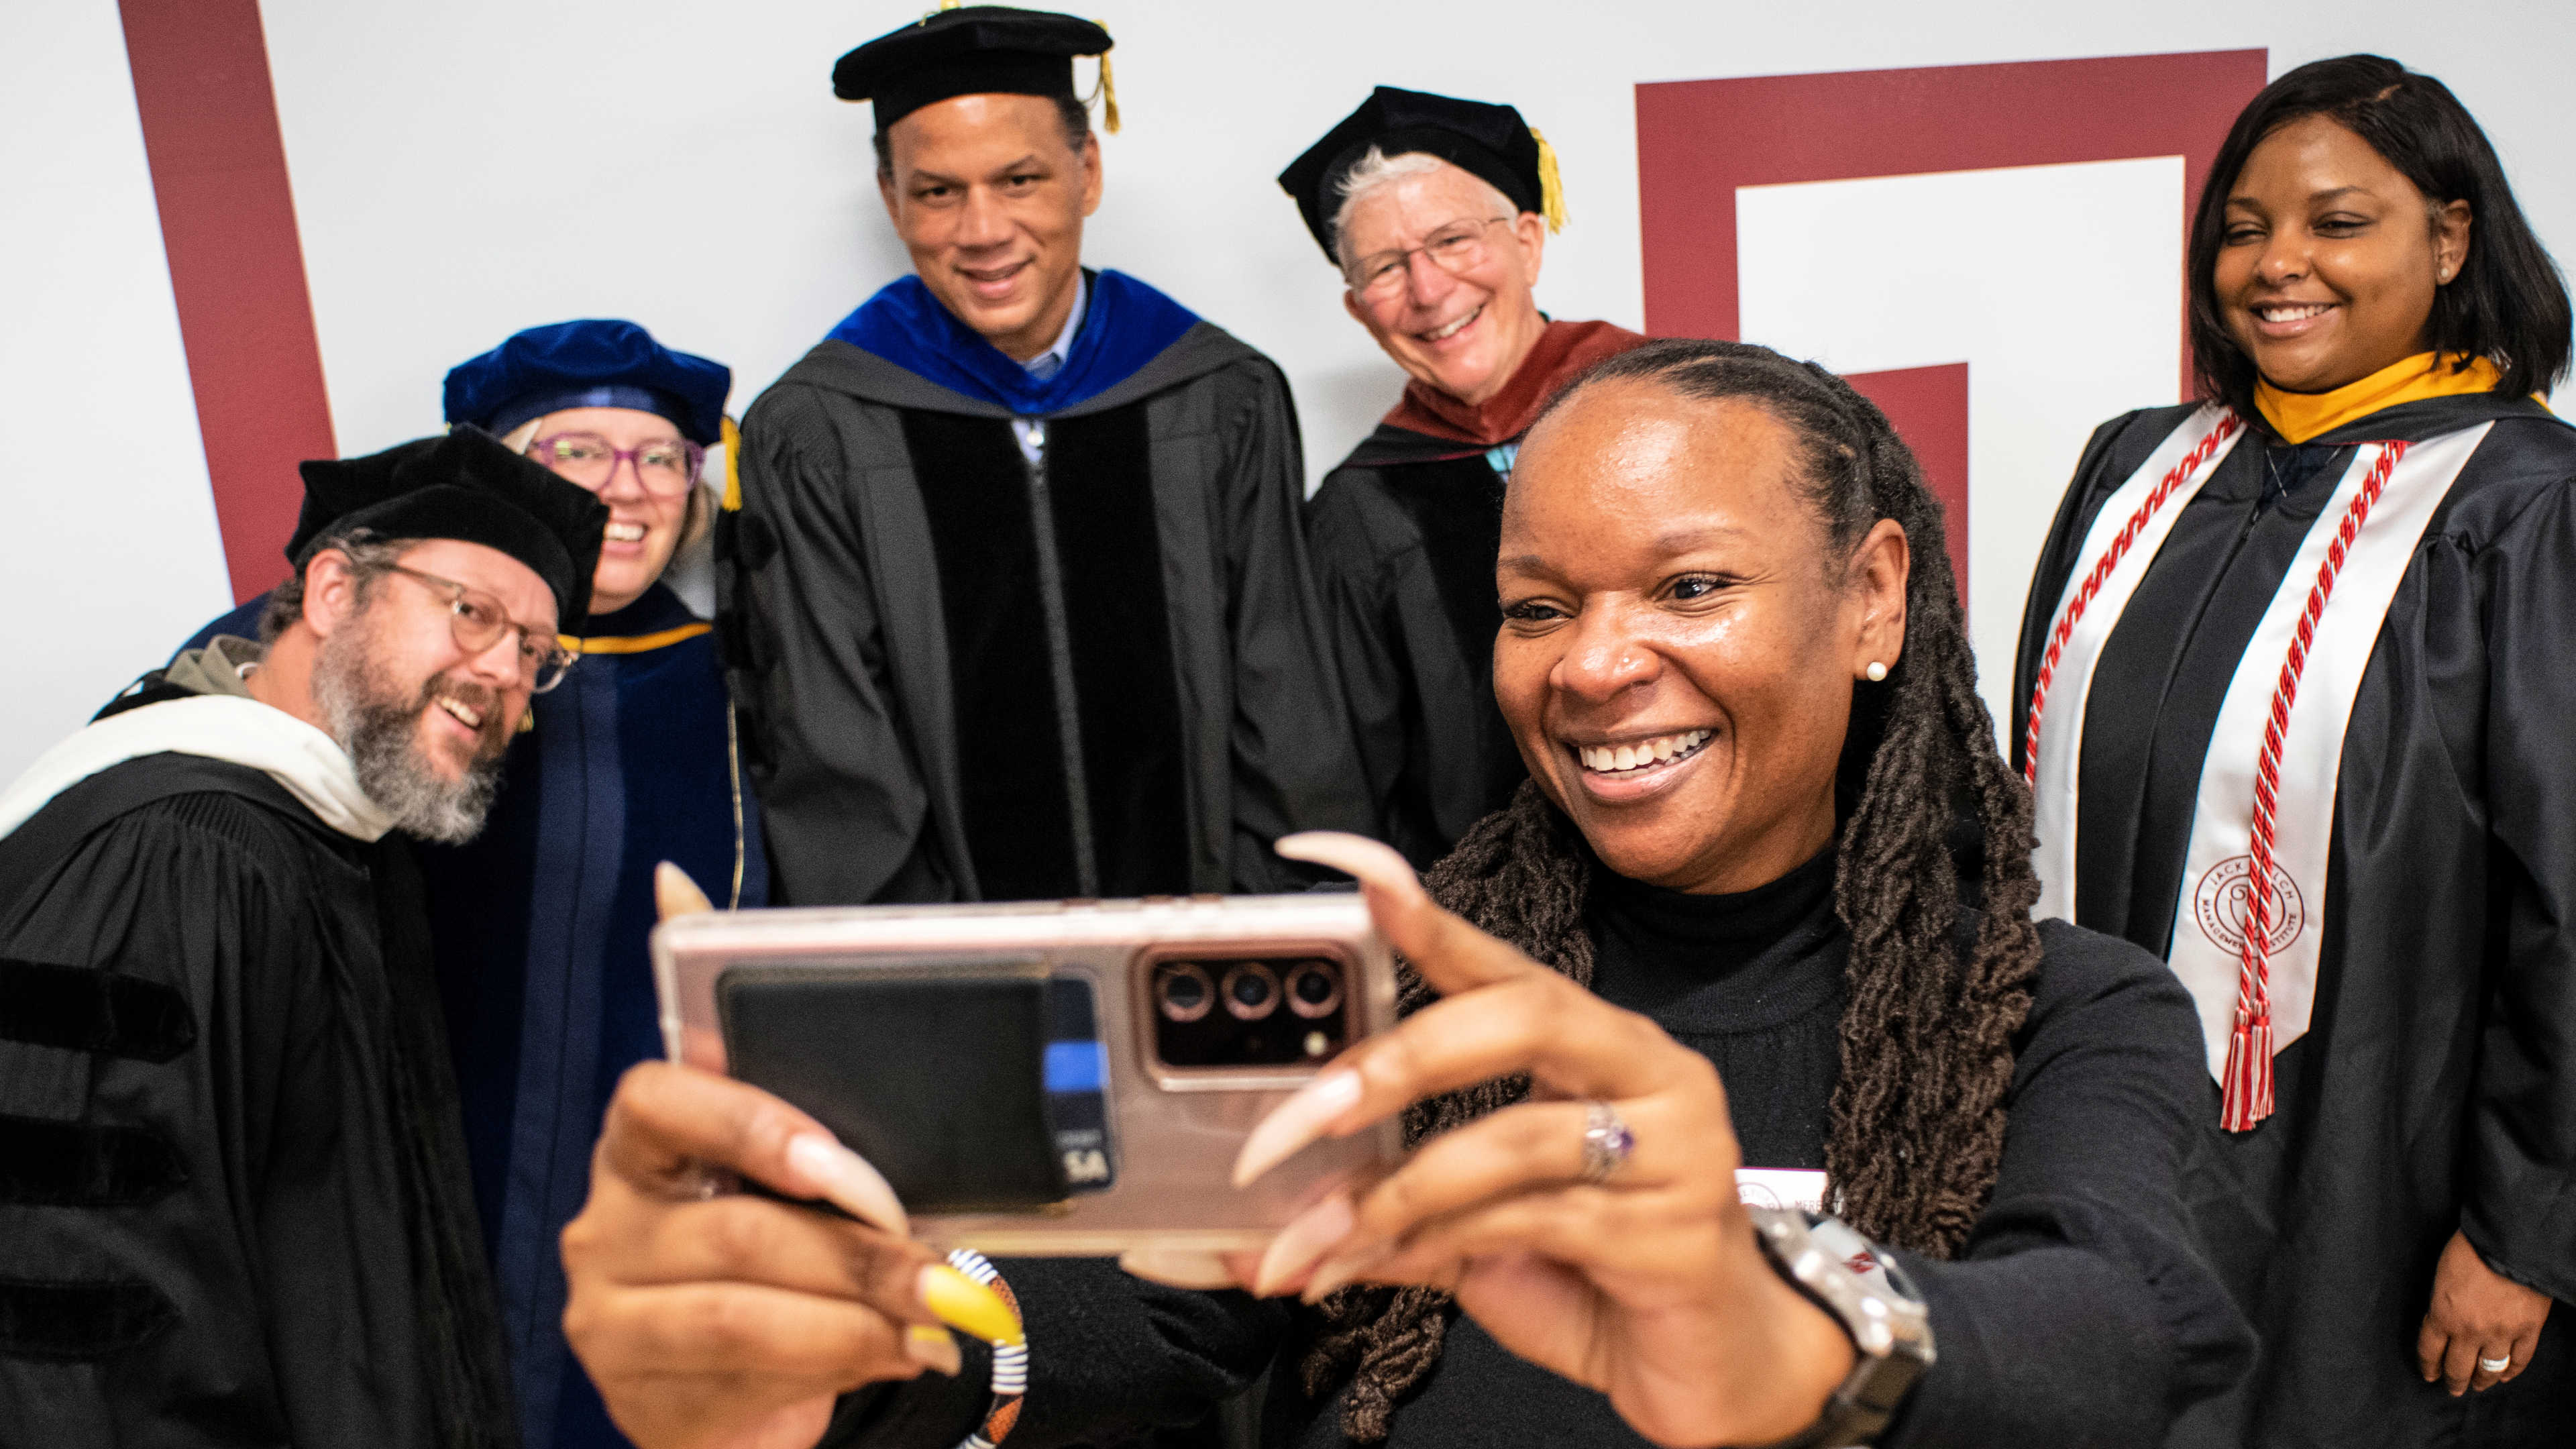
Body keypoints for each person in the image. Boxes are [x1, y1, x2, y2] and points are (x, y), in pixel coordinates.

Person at [554, 339, 2255, 1449]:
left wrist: (1797, 1329)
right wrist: (857, 1345)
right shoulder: (1387, 1009)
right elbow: (1127, 1319)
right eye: (1534, 606)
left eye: (1689, 584)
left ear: (1872, 596)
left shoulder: (2063, 1010)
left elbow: (2124, 1330)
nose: (1594, 665)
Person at [2009, 54, 2575, 1448]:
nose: (2278, 265)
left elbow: (2574, 906)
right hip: (2115, 1137)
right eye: (2246, 226)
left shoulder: (2526, 514)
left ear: (2449, 238)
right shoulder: (2135, 472)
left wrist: (2529, 1233)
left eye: (2337, 222)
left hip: (2376, 1172)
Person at [178, 319, 769, 1449]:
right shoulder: (368, 647)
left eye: (658, 458)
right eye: (580, 455)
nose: (626, 490)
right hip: (417, 1122)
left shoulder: (734, 676)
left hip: (631, 1154)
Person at [0, 431, 604, 1445]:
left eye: (535, 652)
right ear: (332, 594)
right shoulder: (186, 850)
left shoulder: (342, 845)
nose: (502, 670)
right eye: (471, 612)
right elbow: (78, 1302)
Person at [719, 5, 1371, 906]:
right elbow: (837, 748)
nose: (982, 230)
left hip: (1205, 955)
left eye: (1019, 179)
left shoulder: (1216, 395)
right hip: (960, 995)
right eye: (938, 191)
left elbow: (1283, 699)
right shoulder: (820, 429)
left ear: (1086, 172)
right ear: (891, 198)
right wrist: (936, 993)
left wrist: (1268, 944)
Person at [1280, 88, 1649, 867]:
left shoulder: (1689, 406)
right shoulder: (1361, 511)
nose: (1427, 289)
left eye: (1452, 240)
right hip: (1493, 922)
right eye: (1385, 267)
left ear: (1527, 241)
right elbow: (1353, 782)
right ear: (1358, 309)